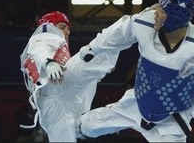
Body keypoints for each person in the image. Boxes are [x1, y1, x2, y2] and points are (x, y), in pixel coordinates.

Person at [76, 0, 194, 142]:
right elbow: (119, 32)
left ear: (174, 19)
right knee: (86, 126)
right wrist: (94, 48)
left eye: (162, 11)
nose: (155, 12)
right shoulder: (144, 22)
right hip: (137, 102)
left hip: (173, 116)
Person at [19, 11, 130, 142]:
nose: (67, 32)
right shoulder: (45, 33)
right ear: (50, 26)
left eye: (67, 28)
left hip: (56, 102)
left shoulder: (55, 49)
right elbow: (39, 48)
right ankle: (130, 25)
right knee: (96, 54)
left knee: (85, 126)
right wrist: (48, 63)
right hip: (56, 89)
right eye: (62, 26)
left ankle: (124, 116)